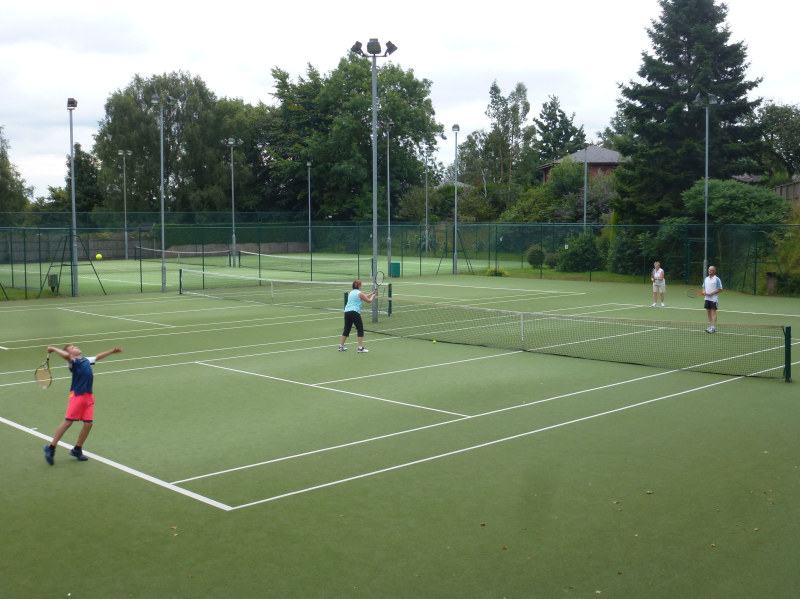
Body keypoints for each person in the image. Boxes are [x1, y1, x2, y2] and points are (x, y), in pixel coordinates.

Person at [43, 343, 123, 465]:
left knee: (88, 424)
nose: (76, 347)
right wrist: (53, 348)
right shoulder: (72, 362)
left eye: (75, 346)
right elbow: (65, 356)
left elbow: (97, 357)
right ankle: (51, 447)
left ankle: (77, 449)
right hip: (77, 396)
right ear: (70, 354)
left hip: (88, 396)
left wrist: (112, 351)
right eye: (72, 348)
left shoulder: (85, 360)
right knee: (68, 422)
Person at [339, 280, 378, 353]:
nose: (361, 286)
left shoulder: (351, 293)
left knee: (346, 329)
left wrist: (371, 293)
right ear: (358, 286)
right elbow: (369, 301)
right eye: (361, 285)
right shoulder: (359, 293)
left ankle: (341, 346)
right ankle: (360, 348)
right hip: (354, 312)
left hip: (347, 312)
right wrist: (372, 296)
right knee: (360, 329)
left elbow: (362, 297)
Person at [702, 265, 723, 333]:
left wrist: (712, 293)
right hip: (707, 298)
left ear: (714, 271)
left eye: (711, 270)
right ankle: (711, 326)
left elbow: (720, 289)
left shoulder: (717, 279)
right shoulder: (706, 279)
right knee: (708, 312)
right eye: (709, 269)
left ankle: (713, 327)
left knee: (713, 312)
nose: (709, 271)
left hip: (714, 299)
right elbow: (704, 287)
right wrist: (704, 291)